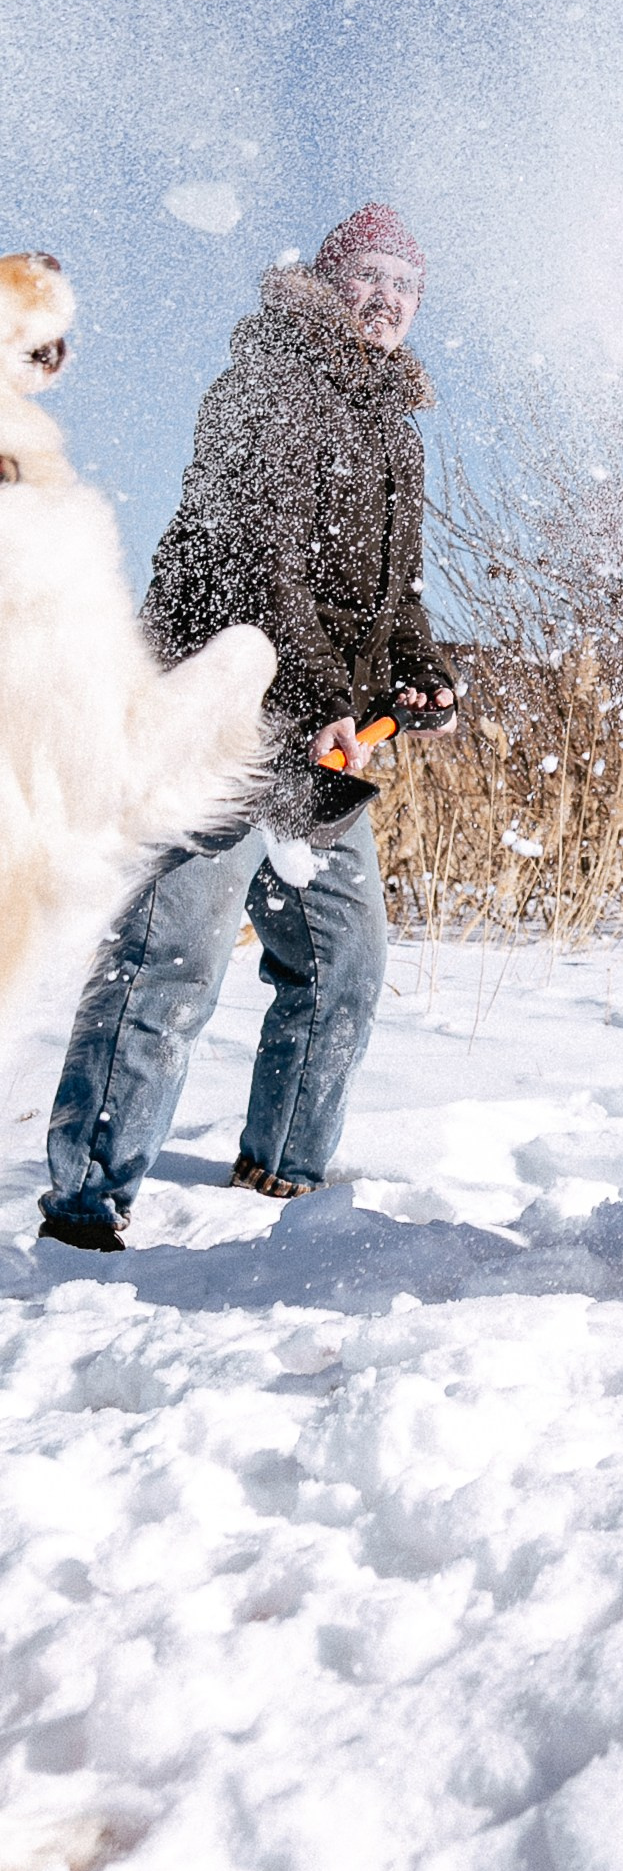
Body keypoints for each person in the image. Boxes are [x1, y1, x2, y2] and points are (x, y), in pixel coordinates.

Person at [38, 205, 457, 1252]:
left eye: (405, 284)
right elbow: (251, 567)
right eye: (367, 275)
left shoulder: (395, 427)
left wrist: (425, 672)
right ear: (327, 281)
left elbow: (395, 596)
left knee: (342, 967)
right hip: (221, 725)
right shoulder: (260, 386)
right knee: (169, 962)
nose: (386, 298)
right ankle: (84, 1206)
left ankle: (282, 1181)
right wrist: (320, 693)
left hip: (319, 750)